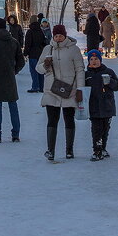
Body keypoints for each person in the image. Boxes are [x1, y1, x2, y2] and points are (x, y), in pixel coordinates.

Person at [36, 23, 85, 161]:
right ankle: (50, 150)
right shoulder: (48, 49)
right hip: (51, 89)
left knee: (68, 119)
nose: (58, 38)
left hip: (69, 89)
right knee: (52, 120)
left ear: (65, 36)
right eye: (56, 35)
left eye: (60, 35)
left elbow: (80, 69)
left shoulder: (73, 50)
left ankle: (69, 150)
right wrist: (45, 65)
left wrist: (80, 88)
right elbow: (38, 69)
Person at [84, 48, 118, 161]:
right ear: (89, 61)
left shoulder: (108, 72)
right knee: (96, 129)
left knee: (105, 128)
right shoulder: (86, 74)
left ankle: (103, 148)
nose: (94, 61)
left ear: (100, 60)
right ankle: (97, 150)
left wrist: (110, 82)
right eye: (92, 59)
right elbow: (81, 88)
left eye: (96, 59)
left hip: (107, 106)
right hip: (93, 106)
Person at [23, 14, 48, 92]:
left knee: (34, 71)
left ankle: (35, 86)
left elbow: (28, 43)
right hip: (40, 53)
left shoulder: (30, 31)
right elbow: (44, 41)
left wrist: (25, 53)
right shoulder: (40, 30)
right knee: (40, 70)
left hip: (32, 54)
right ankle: (41, 87)